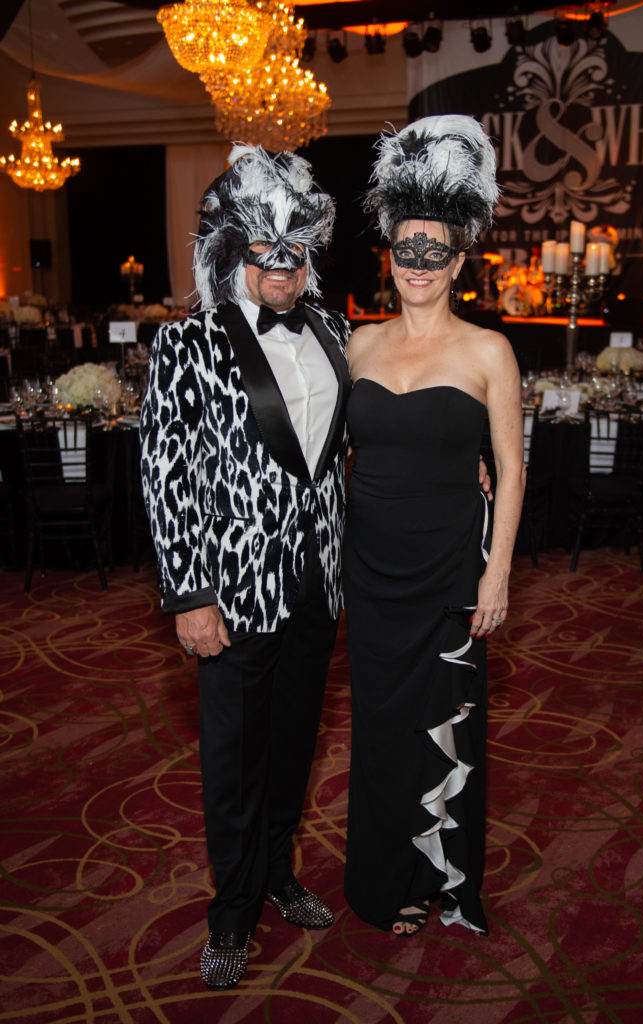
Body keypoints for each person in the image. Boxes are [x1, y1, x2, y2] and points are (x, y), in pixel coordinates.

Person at [139, 145, 352, 990]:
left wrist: (467, 464)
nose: (281, 267)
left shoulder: (333, 329)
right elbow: (165, 475)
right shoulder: (187, 343)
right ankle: (231, 910)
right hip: (229, 588)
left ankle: (275, 874)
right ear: (235, 252)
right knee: (232, 758)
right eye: (265, 252)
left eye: (294, 252)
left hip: (315, 583)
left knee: (294, 745)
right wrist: (189, 594)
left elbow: (357, 445)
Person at [343, 115, 526, 938]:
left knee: (442, 724)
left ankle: (440, 876)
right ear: (390, 252)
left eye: (435, 251)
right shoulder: (357, 346)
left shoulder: (489, 352)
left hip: (451, 568)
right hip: (371, 571)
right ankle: (385, 873)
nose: (418, 265)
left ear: (459, 260)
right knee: (379, 729)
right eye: (406, 248)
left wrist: (498, 574)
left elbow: (513, 470)